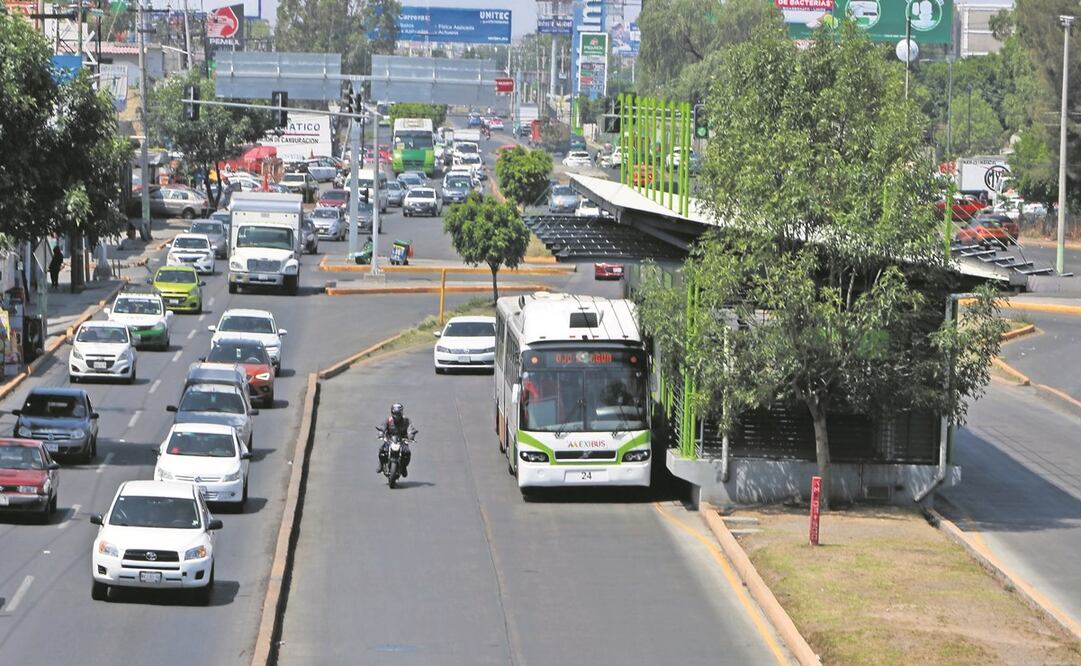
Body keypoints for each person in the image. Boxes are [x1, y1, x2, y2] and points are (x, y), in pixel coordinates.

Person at [377, 403, 414, 476]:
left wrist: (411, 436)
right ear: (392, 413)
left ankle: (403, 467)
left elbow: (410, 429)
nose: (397, 416)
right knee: (382, 450)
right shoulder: (388, 420)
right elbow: (382, 428)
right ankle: (381, 465)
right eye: (395, 413)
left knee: (407, 452)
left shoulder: (406, 420)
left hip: (402, 440)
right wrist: (381, 434)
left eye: (398, 413)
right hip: (390, 439)